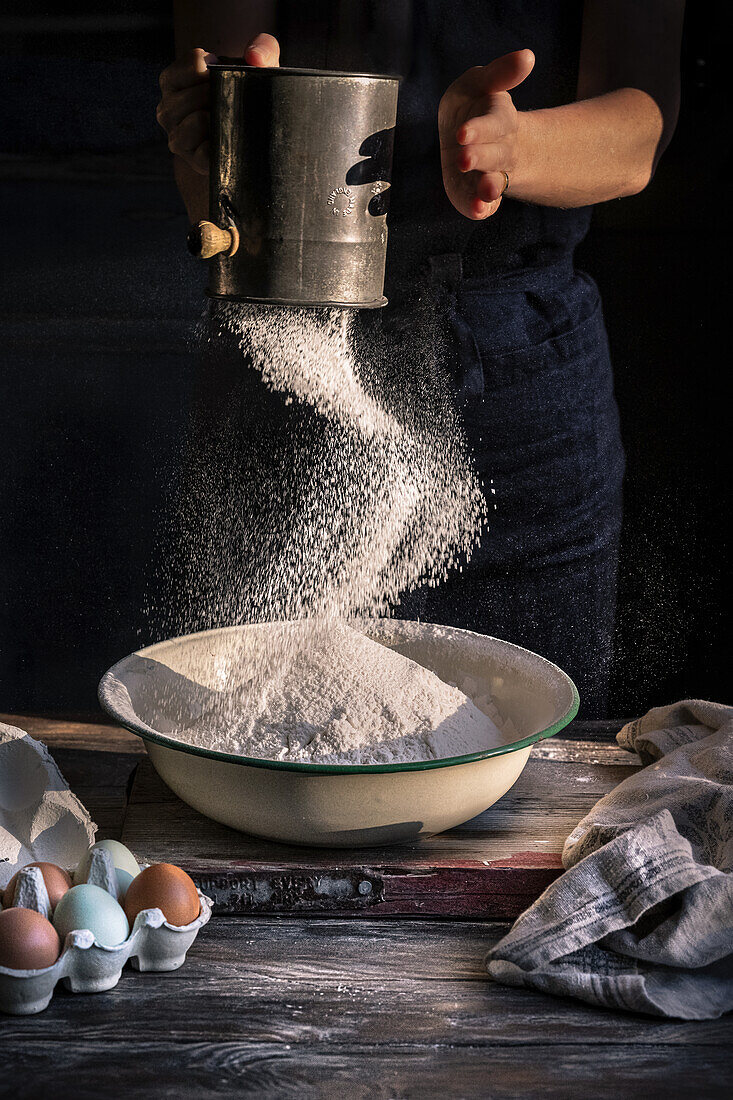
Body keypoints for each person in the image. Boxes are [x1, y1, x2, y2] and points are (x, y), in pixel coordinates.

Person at [156, 1, 684, 717]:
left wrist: (512, 146)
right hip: (287, 340)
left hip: (520, 357)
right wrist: (226, 132)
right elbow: (212, 141)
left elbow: (636, 132)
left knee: (532, 743)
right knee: (252, 731)